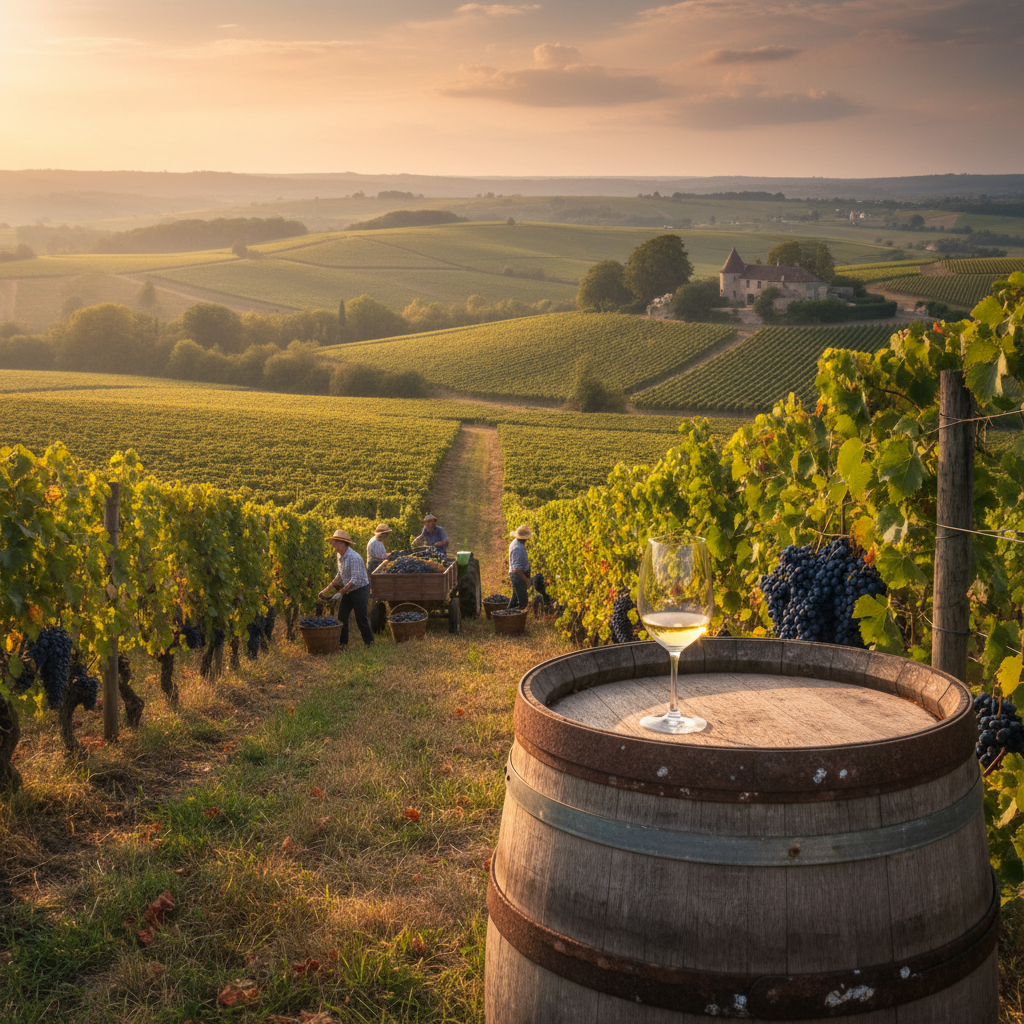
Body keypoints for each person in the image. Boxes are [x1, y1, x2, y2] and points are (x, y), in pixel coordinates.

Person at [319, 529, 374, 648]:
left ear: (342, 543)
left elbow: (355, 580)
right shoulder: (340, 555)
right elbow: (340, 575)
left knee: (361, 618)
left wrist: (340, 593)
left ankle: (370, 645)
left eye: (334, 542)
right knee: (342, 617)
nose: (332, 545)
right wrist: (326, 589)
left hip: (360, 589)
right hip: (349, 589)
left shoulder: (353, 557)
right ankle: (343, 645)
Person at [508, 524, 532, 611]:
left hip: (518, 575)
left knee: (515, 599)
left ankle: (506, 615)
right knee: (523, 602)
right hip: (518, 576)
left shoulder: (518, 543)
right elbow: (517, 569)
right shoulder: (517, 547)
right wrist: (526, 580)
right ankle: (513, 616)